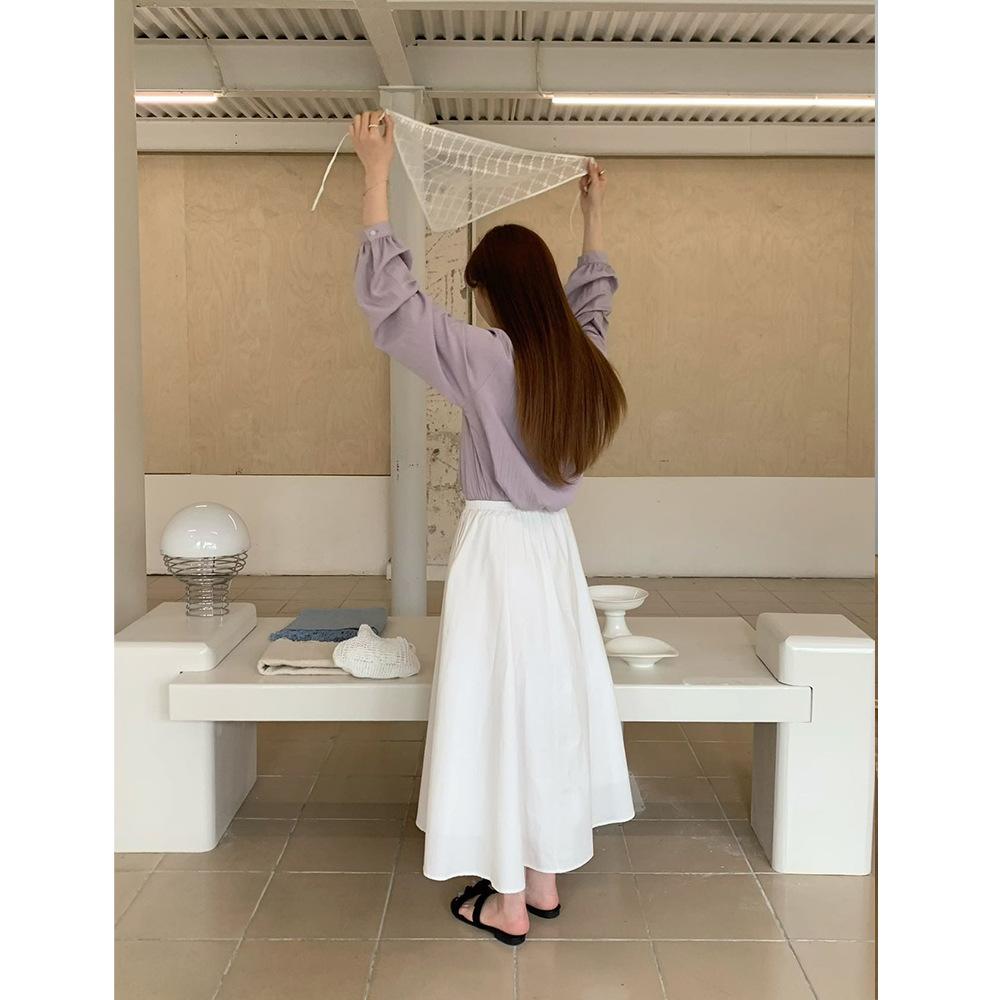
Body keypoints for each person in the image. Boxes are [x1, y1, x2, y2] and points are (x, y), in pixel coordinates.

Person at [351, 110, 634, 946]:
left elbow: (394, 308)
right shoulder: (577, 359)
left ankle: (508, 902)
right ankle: (541, 880)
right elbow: (593, 304)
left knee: (497, 709)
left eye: (477, 293)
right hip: (553, 555)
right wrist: (593, 216)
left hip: (496, 550)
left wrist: (375, 174)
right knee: (543, 704)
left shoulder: (485, 357)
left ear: (494, 294)